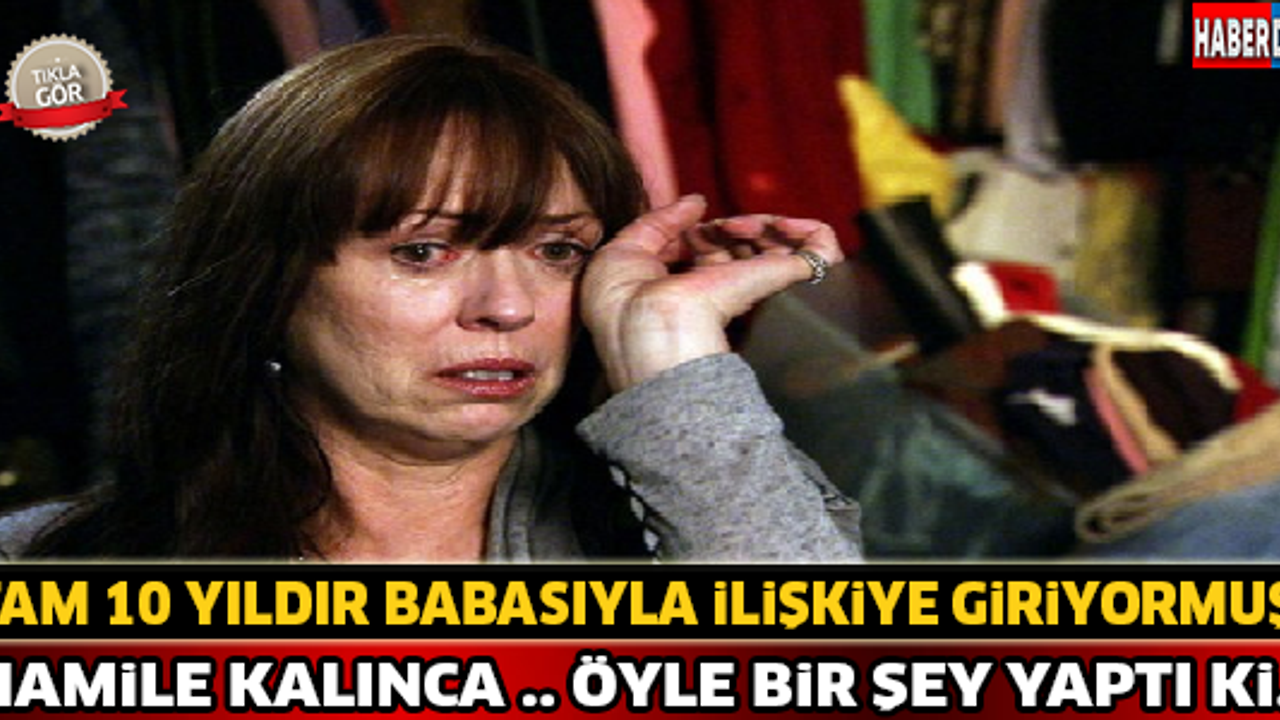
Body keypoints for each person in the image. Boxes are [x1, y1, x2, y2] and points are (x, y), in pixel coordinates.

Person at [0, 35, 858, 562]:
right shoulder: (49, 569)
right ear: (267, 283)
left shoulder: (704, 518)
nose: (507, 308)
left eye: (557, 252)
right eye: (423, 251)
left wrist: (670, 360)